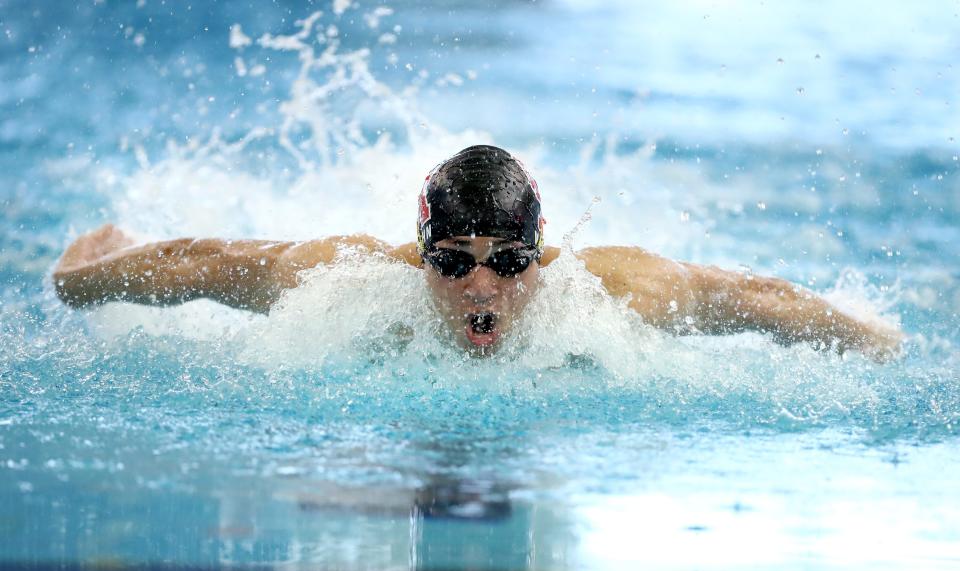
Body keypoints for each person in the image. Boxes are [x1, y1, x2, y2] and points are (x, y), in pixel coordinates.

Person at [52, 145, 902, 360]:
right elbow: (205, 261)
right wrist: (82, 276)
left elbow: (754, 296)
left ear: (544, 256)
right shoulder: (343, 282)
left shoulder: (619, 294)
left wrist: (871, 339)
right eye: (452, 263)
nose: (481, 287)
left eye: (509, 263)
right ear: (418, 255)